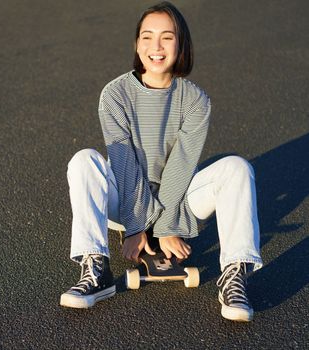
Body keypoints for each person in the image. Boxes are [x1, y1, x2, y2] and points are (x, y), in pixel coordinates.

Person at [59, 1, 263, 322]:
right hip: (125, 201)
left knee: (236, 167)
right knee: (85, 160)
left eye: (167, 37)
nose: (156, 47)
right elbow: (124, 162)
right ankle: (95, 269)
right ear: (137, 44)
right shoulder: (115, 94)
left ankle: (234, 275)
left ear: (181, 44)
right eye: (147, 37)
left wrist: (167, 226)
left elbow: (182, 165)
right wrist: (137, 225)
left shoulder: (195, 99)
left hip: (179, 200)